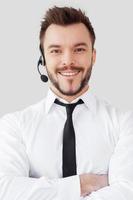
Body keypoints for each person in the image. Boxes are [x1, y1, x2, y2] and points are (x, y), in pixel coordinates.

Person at [0, 6, 133, 200]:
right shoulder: (15, 125)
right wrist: (83, 184)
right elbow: (5, 190)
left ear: (93, 56)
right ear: (43, 59)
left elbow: (128, 192)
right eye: (56, 51)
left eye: (79, 49)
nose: (68, 60)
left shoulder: (124, 123)